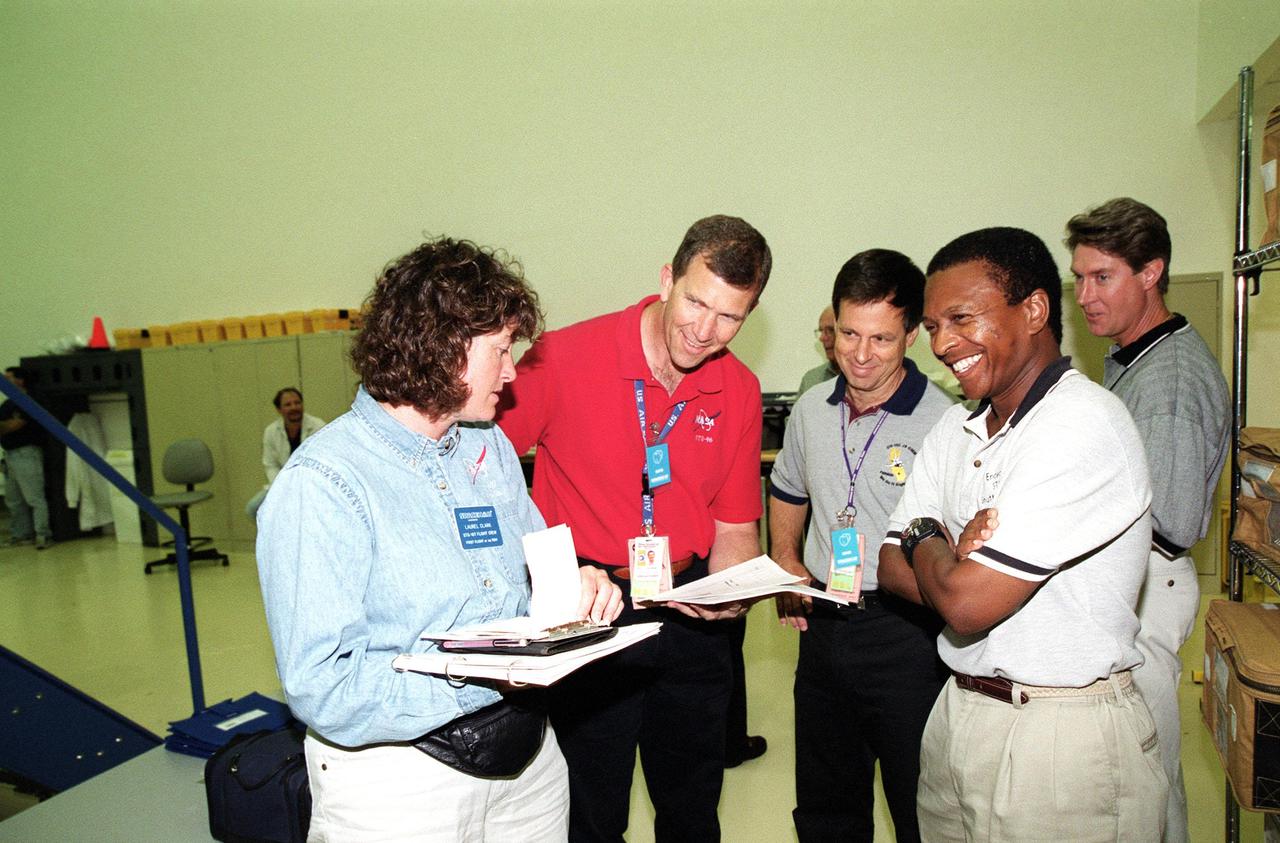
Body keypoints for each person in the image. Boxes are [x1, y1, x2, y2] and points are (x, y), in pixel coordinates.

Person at [256, 237, 622, 841]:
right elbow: (323, 685)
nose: (512, 370)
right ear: (447, 346)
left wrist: (577, 583)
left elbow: (533, 570)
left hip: (527, 766)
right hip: (401, 786)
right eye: (501, 350)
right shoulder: (323, 484)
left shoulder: (489, 445)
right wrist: (479, 677)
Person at [877, 227, 1168, 840]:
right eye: (932, 327)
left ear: (1034, 309)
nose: (943, 344)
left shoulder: (1081, 426)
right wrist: (950, 548)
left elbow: (967, 603)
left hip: (1060, 738)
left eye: (961, 318)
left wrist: (925, 530)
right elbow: (886, 566)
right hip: (957, 712)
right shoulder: (955, 426)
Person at [497, 214, 771, 842]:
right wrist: (549, 569)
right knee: (591, 812)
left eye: (729, 317)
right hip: (588, 611)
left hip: (688, 612)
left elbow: (733, 529)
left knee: (694, 808)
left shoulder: (739, 388)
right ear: (668, 277)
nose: (704, 332)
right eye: (696, 302)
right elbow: (481, 468)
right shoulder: (563, 357)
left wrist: (730, 592)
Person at [769, 249, 952, 842]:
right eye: (848, 333)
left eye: (881, 338)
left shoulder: (943, 424)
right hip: (824, 625)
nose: (860, 353)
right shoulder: (811, 412)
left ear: (912, 336)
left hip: (905, 633)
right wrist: (786, 557)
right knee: (825, 799)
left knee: (916, 798)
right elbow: (789, 488)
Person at [1067, 197, 1230, 843]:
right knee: (1131, 779)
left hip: (1149, 591)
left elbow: (1171, 520)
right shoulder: (1135, 360)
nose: (1084, 295)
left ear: (1151, 271)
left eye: (1101, 277)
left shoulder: (1170, 380)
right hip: (1135, 588)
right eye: (1078, 277)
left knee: (1145, 784)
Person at [246, 387, 324, 518]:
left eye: (297, 403)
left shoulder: (318, 427)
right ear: (279, 410)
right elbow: (270, 465)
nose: (294, 407)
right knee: (253, 509)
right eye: (288, 404)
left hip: (312, 485)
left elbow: (322, 464)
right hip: (283, 485)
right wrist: (282, 487)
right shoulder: (271, 431)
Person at [1, 366, 52, 550]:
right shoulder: (8, 404)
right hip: (10, 454)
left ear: (20, 380)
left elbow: (15, 425)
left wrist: (5, 425)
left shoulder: (31, 401)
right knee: (13, 499)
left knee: (34, 497)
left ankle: (43, 535)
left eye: (8, 378)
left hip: (26, 453)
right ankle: (21, 535)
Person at [798, 305, 838, 394]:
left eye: (830, 330)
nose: (822, 338)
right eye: (821, 331)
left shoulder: (865, 379)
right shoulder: (811, 380)